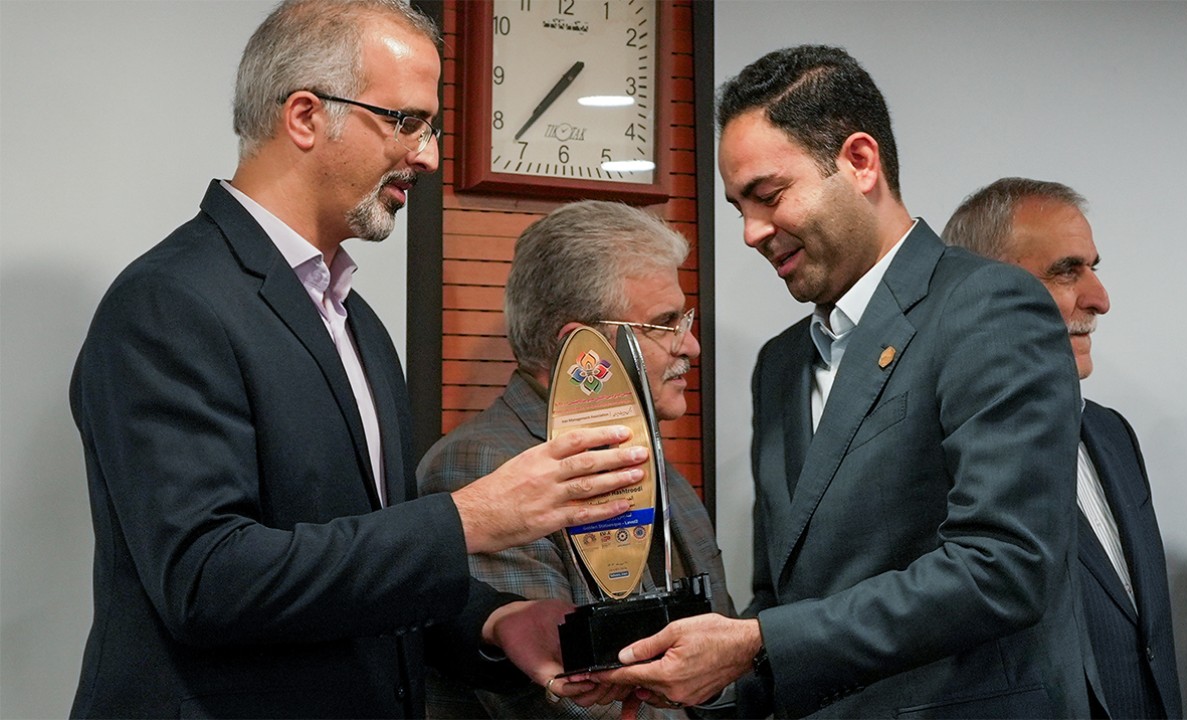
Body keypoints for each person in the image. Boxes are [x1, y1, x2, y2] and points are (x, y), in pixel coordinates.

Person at [67, 1, 650, 717]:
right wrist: (468, 519)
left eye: (431, 128)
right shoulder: (167, 303)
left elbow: (366, 564)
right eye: (406, 122)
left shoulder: (357, 321)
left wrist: (495, 622)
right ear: (305, 117)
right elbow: (207, 580)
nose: (428, 155)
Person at [593, 44, 1089, 718]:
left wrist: (755, 644)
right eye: (738, 208)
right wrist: (696, 677)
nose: (751, 232)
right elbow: (785, 601)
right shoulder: (779, 365)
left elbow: (1004, 566)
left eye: (768, 196)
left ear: (859, 162)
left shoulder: (988, 306)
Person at [417, 200, 736, 720]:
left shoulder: (648, 460)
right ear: (579, 349)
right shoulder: (481, 466)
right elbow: (568, 701)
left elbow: (722, 659)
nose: (691, 346)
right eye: (665, 324)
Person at [943, 177, 1183, 719]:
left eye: (1093, 267)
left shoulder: (1113, 434)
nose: (1100, 299)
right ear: (980, 289)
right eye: (1067, 271)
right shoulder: (930, 451)